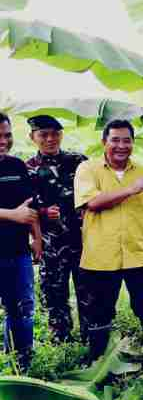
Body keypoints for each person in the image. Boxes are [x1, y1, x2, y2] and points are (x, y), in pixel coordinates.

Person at [73, 119, 143, 368]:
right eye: (115, 140)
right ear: (104, 142)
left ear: (133, 143)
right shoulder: (88, 169)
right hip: (101, 256)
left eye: (126, 140)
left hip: (137, 253)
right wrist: (131, 188)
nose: (121, 145)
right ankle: (97, 361)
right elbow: (92, 202)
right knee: (100, 311)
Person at [25, 114, 88, 343]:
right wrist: (42, 214)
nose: (50, 139)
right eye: (44, 135)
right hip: (51, 244)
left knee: (89, 292)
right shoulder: (28, 169)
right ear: (33, 137)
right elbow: (24, 207)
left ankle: (92, 340)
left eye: (55, 134)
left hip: (82, 240)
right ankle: (61, 341)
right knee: (54, 294)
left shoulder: (79, 161)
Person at [0, 112, 41, 371]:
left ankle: (21, 365)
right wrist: (11, 215)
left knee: (22, 309)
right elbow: (18, 212)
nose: (3, 141)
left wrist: (37, 237)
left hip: (18, 253)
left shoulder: (16, 166)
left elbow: (30, 205)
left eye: (7, 135)